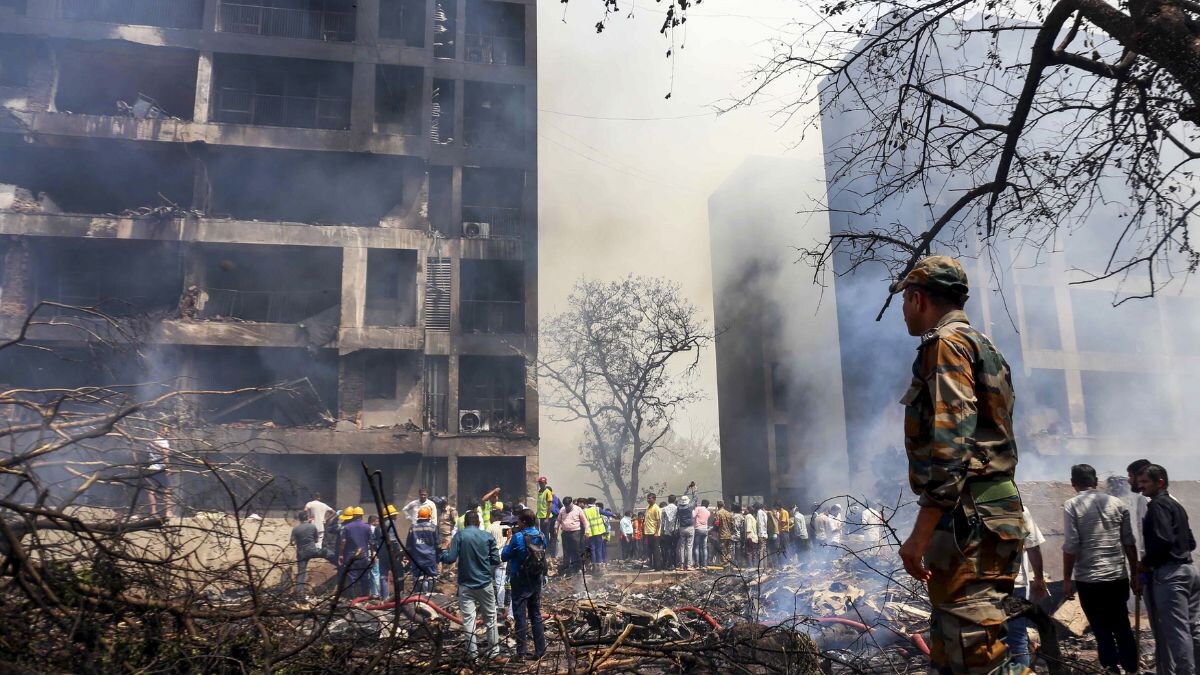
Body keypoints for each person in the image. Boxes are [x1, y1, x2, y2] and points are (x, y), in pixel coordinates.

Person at [892, 255, 1024, 674]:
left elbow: (953, 440)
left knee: (976, 657)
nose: (903, 310)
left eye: (905, 300)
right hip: (992, 511)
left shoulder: (946, 345)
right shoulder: (986, 347)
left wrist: (921, 533)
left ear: (916, 298)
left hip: (968, 518)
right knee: (956, 649)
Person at [1061, 463, 1138, 674]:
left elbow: (1071, 545)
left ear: (1073, 483)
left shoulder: (1071, 505)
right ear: (1096, 482)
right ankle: (1131, 667)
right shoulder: (1118, 504)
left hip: (1089, 579)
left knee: (1100, 625)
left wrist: (1067, 578)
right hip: (1117, 576)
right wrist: (1135, 574)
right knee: (1121, 622)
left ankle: (1111, 667)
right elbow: (1129, 542)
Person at [1137, 463, 1200, 674]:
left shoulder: (1157, 505)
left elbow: (1163, 542)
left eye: (1145, 482)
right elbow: (1190, 543)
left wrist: (1145, 563)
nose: (1140, 485)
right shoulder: (1176, 505)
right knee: (1191, 629)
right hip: (1189, 571)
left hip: (1171, 576)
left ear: (1160, 482)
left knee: (1177, 632)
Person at [440, 511, 501, 660]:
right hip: (485, 583)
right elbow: (495, 560)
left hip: (466, 585)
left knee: (468, 620)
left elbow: (450, 559)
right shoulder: (487, 536)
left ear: (466, 523)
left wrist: (443, 549)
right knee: (491, 618)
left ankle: (472, 654)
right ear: (479, 523)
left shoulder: (459, 536)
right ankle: (494, 652)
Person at [1005, 506, 1048, 668]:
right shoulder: (1018, 508)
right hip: (1015, 585)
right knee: (1017, 639)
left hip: (983, 588)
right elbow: (1033, 547)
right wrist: (1039, 579)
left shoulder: (971, 506)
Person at [502, 510, 547, 661]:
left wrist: (509, 540)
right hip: (536, 579)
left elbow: (504, 556)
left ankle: (521, 653)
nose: (518, 524)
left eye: (519, 521)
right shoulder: (541, 536)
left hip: (520, 580)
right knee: (536, 614)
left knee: (520, 615)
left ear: (524, 522)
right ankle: (540, 651)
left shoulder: (517, 537)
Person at [338, 506, 372, 598]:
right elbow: (371, 542)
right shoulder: (367, 527)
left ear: (353, 515)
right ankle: (365, 597)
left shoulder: (347, 527)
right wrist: (372, 555)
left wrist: (341, 554)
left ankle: (352, 599)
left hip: (350, 556)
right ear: (362, 515)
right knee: (364, 577)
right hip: (363, 555)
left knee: (351, 578)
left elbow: (343, 541)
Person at [406, 505, 439, 594]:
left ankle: (419, 597)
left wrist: (409, 558)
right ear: (429, 517)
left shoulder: (412, 528)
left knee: (418, 577)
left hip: (417, 559)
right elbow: (437, 545)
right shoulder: (433, 527)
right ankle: (429, 595)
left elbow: (408, 546)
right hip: (430, 558)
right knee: (431, 577)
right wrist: (438, 558)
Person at [486, 510, 511, 620]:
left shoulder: (490, 527)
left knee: (490, 582)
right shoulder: (506, 527)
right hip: (503, 557)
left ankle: (490, 605)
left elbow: (485, 542)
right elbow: (508, 540)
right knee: (501, 583)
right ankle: (500, 606)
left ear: (494, 517)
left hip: (491, 557)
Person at [290, 510, 321, 600]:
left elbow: (291, 542)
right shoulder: (312, 526)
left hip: (302, 553)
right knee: (326, 553)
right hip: (313, 551)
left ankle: (299, 594)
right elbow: (316, 540)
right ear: (307, 518)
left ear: (299, 519)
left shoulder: (295, 529)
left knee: (301, 573)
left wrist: (298, 541)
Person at [1127, 458, 1152, 558]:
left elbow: (1146, 533)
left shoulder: (1144, 499)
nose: (1129, 480)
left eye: (1131, 476)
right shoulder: (1171, 498)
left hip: (1153, 564)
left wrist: (1144, 561)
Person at [556, 496, 587, 575]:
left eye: (568, 506)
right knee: (566, 551)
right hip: (565, 533)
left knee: (576, 551)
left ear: (571, 503)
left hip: (575, 532)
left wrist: (587, 531)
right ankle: (566, 568)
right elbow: (558, 520)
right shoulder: (562, 509)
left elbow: (585, 521)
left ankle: (578, 568)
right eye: (565, 506)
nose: (567, 508)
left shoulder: (578, 509)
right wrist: (555, 528)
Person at [677, 483, 697, 570]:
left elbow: (680, 499)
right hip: (690, 528)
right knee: (689, 546)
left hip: (681, 528)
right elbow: (695, 498)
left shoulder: (678, 507)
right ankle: (688, 565)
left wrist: (686, 490)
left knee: (682, 547)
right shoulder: (689, 507)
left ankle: (681, 565)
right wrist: (694, 489)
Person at [535, 477, 556, 556]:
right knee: (541, 534)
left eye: (542, 483)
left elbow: (550, 505)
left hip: (546, 517)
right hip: (541, 516)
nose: (541, 484)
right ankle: (543, 549)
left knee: (546, 535)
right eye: (540, 483)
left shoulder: (547, 492)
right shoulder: (539, 492)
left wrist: (547, 518)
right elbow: (540, 504)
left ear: (545, 483)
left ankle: (547, 552)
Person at [714, 501, 736, 567]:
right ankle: (729, 561)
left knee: (723, 549)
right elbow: (733, 524)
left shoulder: (718, 513)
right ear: (724, 505)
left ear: (718, 505)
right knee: (728, 549)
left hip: (722, 535)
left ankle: (725, 563)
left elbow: (717, 524)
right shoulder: (728, 513)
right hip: (729, 535)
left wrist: (715, 530)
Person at [643, 493, 662, 569]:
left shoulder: (656, 508)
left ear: (654, 499)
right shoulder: (647, 508)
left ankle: (658, 567)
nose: (648, 500)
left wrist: (657, 532)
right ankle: (651, 565)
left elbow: (659, 521)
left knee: (656, 551)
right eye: (647, 498)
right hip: (648, 532)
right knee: (649, 550)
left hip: (654, 533)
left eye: (650, 498)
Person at [661, 495, 679, 568]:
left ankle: (668, 563)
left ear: (668, 500)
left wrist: (662, 531)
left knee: (667, 548)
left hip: (667, 531)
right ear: (675, 500)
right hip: (675, 531)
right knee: (674, 548)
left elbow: (662, 521)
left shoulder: (664, 509)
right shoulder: (677, 508)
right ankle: (674, 563)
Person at [694, 499, 711, 570]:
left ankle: (697, 564)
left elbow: (693, 515)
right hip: (705, 530)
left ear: (701, 503)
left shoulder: (698, 508)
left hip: (698, 529)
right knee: (704, 548)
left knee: (696, 547)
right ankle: (704, 564)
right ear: (707, 505)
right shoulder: (708, 512)